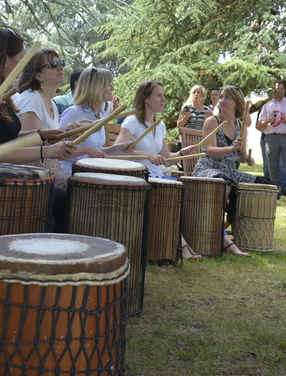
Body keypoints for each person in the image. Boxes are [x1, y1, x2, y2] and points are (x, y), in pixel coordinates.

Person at [0, 28, 77, 232]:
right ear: (4, 59)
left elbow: (4, 137)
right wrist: (46, 151)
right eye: (19, 58)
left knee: (66, 200)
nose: (22, 64)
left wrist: (41, 136)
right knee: (53, 205)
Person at [116, 80, 203, 259]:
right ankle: (181, 245)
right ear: (145, 98)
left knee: (186, 192)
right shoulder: (132, 121)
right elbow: (117, 151)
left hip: (155, 175)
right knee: (173, 193)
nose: (163, 99)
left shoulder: (159, 125)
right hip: (136, 176)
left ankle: (178, 243)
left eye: (163, 95)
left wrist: (181, 152)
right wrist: (146, 155)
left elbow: (165, 159)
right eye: (158, 95)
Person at [192, 86, 271, 256]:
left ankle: (249, 235)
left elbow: (240, 156)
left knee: (264, 184)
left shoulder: (241, 126)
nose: (222, 100)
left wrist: (247, 159)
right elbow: (210, 150)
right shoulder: (212, 121)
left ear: (237, 103)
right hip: (208, 168)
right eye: (221, 97)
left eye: (227, 97)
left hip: (229, 172)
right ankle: (219, 237)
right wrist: (231, 148)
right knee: (224, 184)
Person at [14, 48, 88, 188]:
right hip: (36, 177)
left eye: (61, 62)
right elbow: (29, 148)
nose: (60, 67)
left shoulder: (51, 102)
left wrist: (66, 135)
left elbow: (47, 143)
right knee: (85, 187)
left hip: (49, 171)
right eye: (53, 65)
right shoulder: (32, 99)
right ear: (39, 76)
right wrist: (64, 138)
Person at [59, 67, 133, 173]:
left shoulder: (101, 115)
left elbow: (96, 150)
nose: (112, 88)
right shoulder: (73, 112)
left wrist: (119, 148)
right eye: (109, 84)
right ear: (96, 87)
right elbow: (59, 152)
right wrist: (87, 149)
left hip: (93, 171)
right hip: (73, 173)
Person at [255, 81, 286, 202]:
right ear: (273, 90)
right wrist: (268, 120)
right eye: (277, 88)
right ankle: (274, 193)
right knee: (272, 166)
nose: (279, 90)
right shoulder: (267, 106)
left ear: (284, 90)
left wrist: (284, 120)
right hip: (271, 138)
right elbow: (259, 125)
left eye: (281, 88)